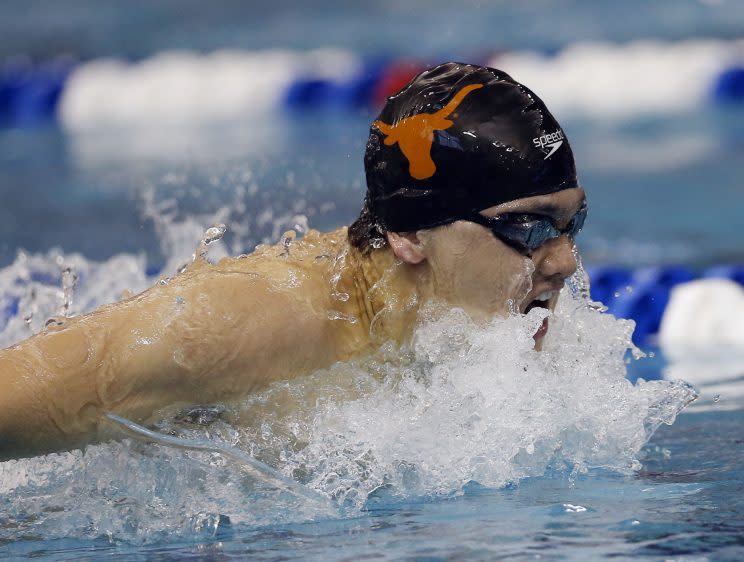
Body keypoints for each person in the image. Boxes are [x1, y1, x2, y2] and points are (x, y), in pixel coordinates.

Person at [0, 62, 586, 460]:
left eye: (570, 223)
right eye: (528, 227)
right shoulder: (240, 324)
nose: (564, 262)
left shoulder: (466, 327)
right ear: (408, 232)